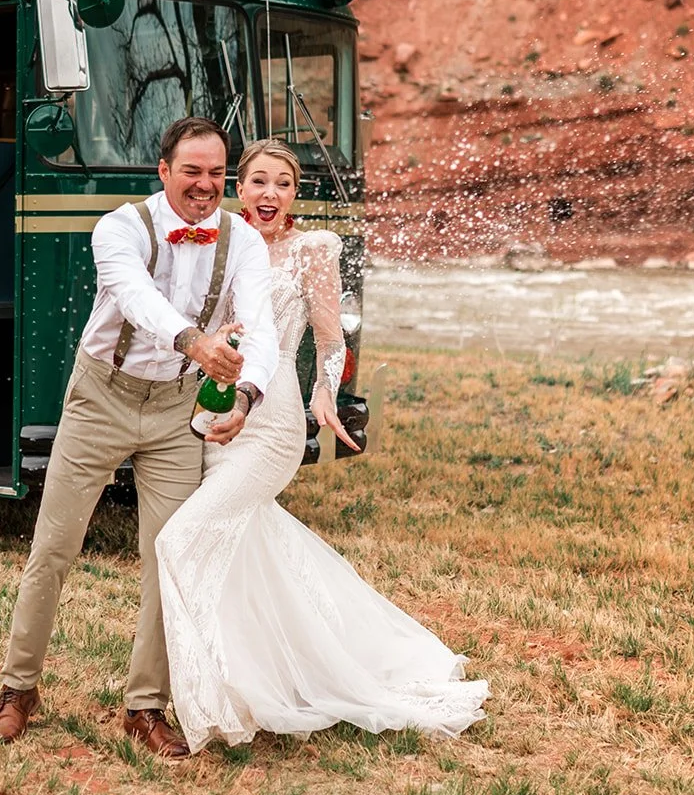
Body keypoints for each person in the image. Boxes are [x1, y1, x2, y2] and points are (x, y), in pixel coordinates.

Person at [155, 138, 489, 754]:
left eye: (282, 183)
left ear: (295, 192)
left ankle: (209, 706)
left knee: (181, 538)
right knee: (246, 549)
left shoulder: (314, 249)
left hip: (275, 416)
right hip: (220, 412)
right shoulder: (218, 242)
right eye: (257, 181)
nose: (269, 194)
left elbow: (330, 338)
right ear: (239, 187)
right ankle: (270, 679)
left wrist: (324, 394)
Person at [0, 117, 279, 758]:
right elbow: (136, 298)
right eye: (191, 171)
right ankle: (18, 688)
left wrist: (247, 396)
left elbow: (261, 326)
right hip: (101, 397)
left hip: (177, 411)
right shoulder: (121, 226)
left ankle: (145, 706)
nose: (205, 186)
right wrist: (194, 342)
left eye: (215, 173)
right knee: (55, 546)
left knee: (168, 560)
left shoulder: (245, 244)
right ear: (164, 171)